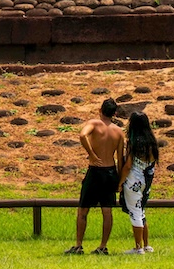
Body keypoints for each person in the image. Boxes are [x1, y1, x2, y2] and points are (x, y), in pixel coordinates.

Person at [65, 98, 125, 255]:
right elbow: (120, 158)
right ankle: (103, 246)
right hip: (110, 171)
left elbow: (82, 135)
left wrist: (91, 154)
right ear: (114, 114)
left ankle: (78, 245)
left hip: (95, 170)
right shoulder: (119, 131)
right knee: (107, 210)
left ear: (100, 110)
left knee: (83, 209)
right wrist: (120, 180)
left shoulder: (94, 123)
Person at [118, 111, 159, 255]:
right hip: (147, 181)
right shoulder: (152, 142)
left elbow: (128, 166)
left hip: (133, 181)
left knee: (135, 213)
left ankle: (138, 248)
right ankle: (146, 245)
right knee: (141, 212)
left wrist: (119, 183)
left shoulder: (133, 142)